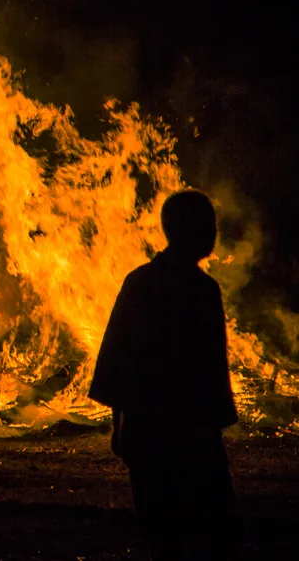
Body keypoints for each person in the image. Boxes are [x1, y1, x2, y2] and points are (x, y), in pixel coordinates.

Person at [89, 189, 238, 560]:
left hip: (149, 431)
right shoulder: (202, 290)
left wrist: (118, 424)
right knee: (205, 531)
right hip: (188, 434)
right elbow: (208, 366)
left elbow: (117, 358)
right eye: (206, 225)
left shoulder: (141, 282)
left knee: (165, 534)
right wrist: (216, 422)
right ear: (183, 230)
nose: (213, 233)